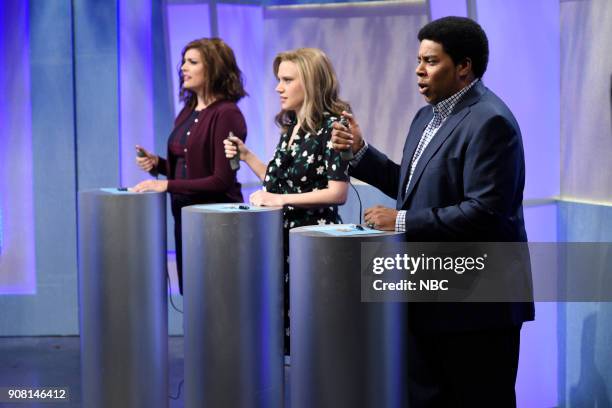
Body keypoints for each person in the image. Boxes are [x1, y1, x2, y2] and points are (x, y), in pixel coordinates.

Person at [331, 17, 534, 407]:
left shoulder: (491, 120)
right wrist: (360, 152)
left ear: (464, 67)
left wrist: (401, 221)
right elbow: (411, 187)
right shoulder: (427, 116)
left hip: (478, 310)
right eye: (419, 60)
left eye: (431, 61)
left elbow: (486, 212)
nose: (418, 70)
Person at [224, 48, 350, 354]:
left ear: (311, 82)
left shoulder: (334, 127)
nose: (278, 87)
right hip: (282, 242)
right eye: (278, 80)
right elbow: (278, 182)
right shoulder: (291, 127)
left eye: (287, 80)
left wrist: (279, 199)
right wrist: (246, 155)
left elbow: (337, 193)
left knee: (315, 339)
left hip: (313, 245)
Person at [133, 38, 247, 294]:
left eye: (192, 62)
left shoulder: (227, 114)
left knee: (215, 296)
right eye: (184, 61)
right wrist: (158, 165)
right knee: (194, 296)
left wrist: (166, 184)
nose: (183, 67)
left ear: (214, 69)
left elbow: (220, 180)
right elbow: (190, 166)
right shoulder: (187, 111)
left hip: (214, 222)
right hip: (184, 216)